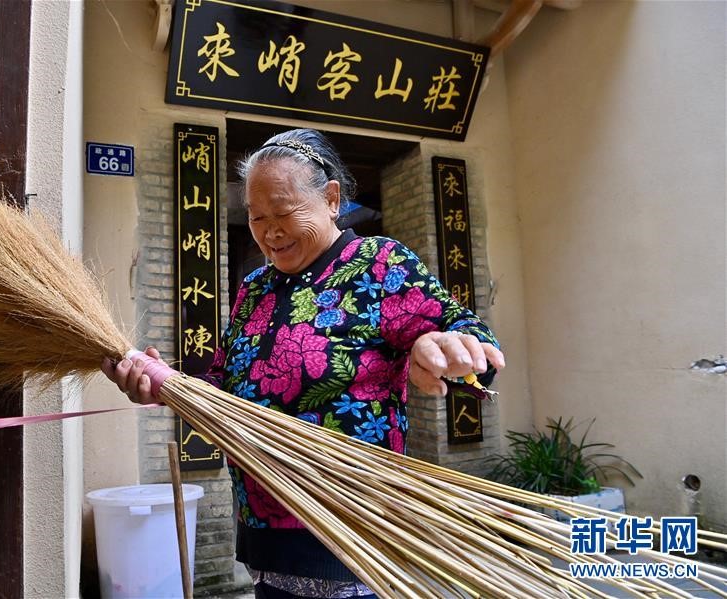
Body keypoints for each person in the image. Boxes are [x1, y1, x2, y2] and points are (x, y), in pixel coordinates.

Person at [102, 128, 505, 599]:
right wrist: (164, 384)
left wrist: (441, 353)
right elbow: (225, 383)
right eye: (256, 217)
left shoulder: (378, 264)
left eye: (285, 212)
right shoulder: (255, 287)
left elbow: (471, 341)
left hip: (351, 533)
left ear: (331, 198)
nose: (270, 231)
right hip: (264, 536)